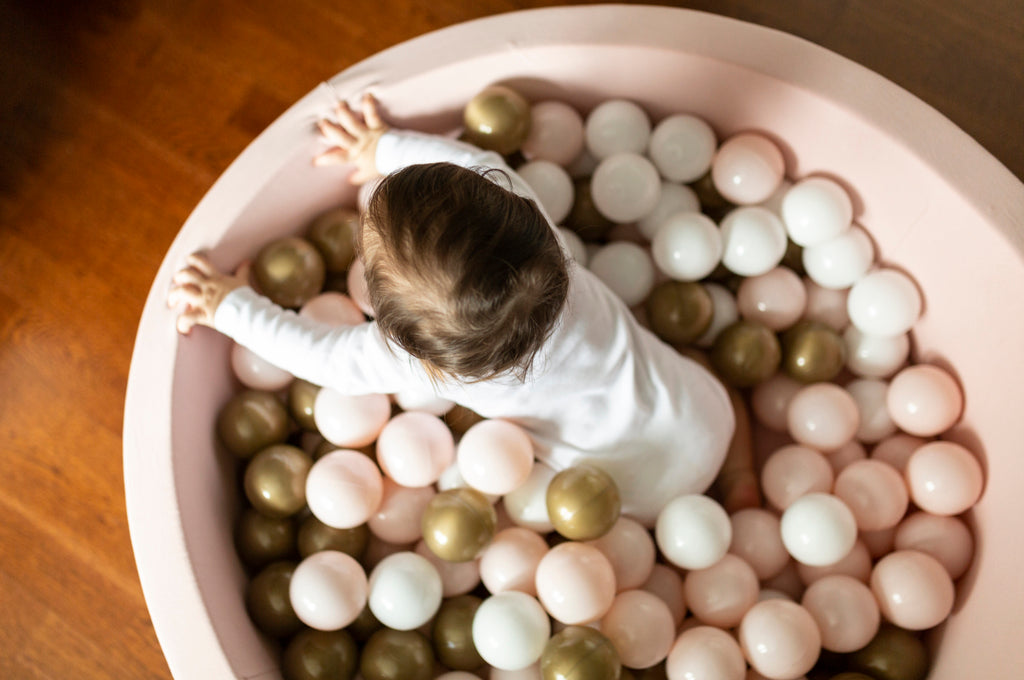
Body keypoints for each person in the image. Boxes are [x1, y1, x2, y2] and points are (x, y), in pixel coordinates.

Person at [168, 94, 758, 525]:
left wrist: (228, 305)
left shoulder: (418, 363)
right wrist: (382, 146)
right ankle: (744, 480)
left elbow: (322, 356)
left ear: (402, 335)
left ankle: (728, 491)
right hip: (701, 415)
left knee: (567, 508)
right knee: (712, 388)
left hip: (636, 497)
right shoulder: (531, 226)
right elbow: (472, 159)